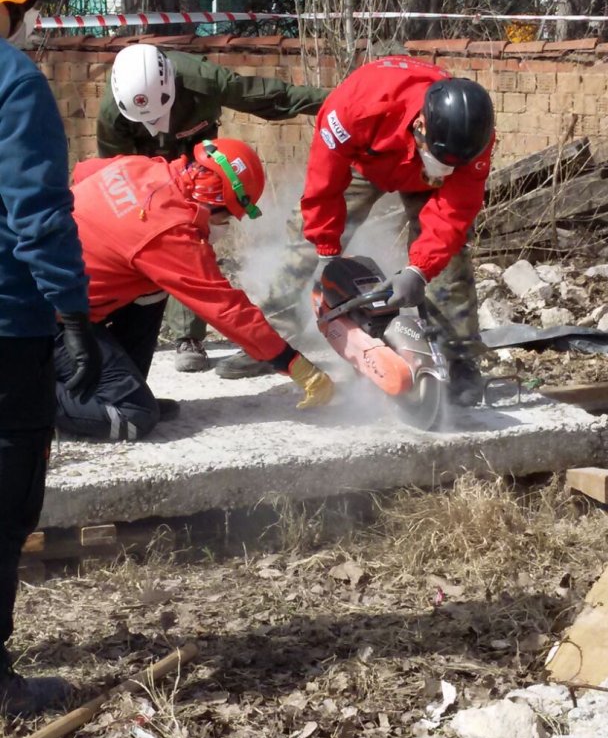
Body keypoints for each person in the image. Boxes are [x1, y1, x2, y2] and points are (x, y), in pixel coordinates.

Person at [217, 56, 495, 407]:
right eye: (441, 158)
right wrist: (325, 250)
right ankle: (269, 341)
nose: (447, 167)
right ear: (421, 125)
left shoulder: (473, 138)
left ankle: (458, 359)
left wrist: (419, 269)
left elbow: (453, 215)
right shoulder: (354, 108)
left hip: (430, 180)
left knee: (450, 256)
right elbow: (324, 186)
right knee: (304, 237)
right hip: (366, 160)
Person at [55, 138, 334, 440]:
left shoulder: (143, 167)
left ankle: (114, 387)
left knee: (152, 290)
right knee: (133, 416)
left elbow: (83, 172)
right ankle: (24, 394)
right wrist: (292, 363)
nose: (227, 225)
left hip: (57, 298)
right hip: (44, 320)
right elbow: (225, 308)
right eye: (227, 215)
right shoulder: (168, 231)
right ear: (214, 201)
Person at [0, 0, 101, 716]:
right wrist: (72, 314)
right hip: (8, 328)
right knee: (6, 499)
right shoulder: (15, 85)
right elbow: (37, 215)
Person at [98, 43, 329, 374]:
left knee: (195, 229)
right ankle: (122, 330)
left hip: (197, 154)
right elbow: (115, 173)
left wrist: (335, 103)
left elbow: (270, 96)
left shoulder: (203, 79)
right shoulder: (114, 113)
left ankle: (189, 337)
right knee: (146, 232)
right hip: (144, 164)